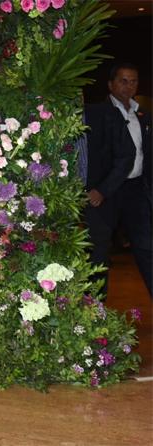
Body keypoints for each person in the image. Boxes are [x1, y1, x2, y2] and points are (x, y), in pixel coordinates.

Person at [84, 62, 152, 298]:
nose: (129, 85)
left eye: (133, 81)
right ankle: (94, 312)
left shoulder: (142, 114)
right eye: (123, 80)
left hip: (135, 190)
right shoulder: (95, 113)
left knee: (146, 247)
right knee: (98, 254)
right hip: (104, 192)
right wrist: (98, 189)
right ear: (111, 84)